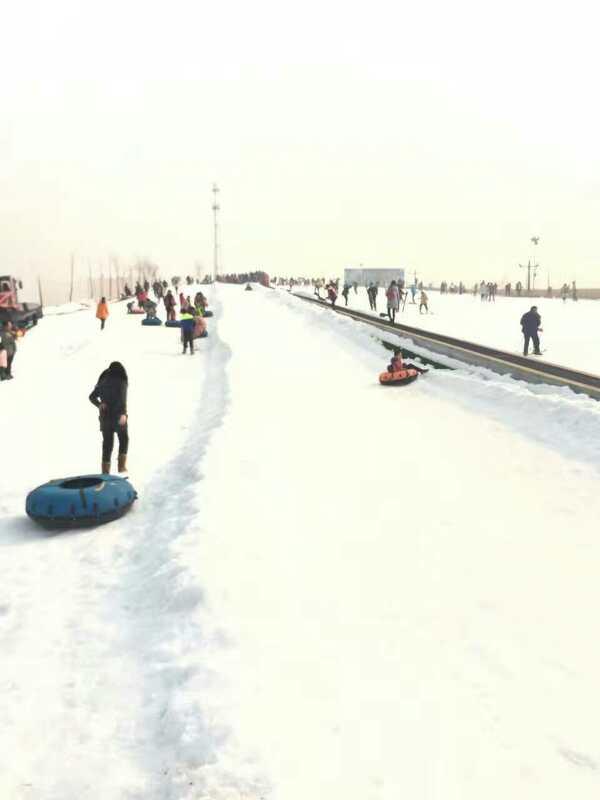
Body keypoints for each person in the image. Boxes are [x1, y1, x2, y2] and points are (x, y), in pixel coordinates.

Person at [88, 361, 129, 474]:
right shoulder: (121, 380)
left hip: (105, 418)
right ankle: (121, 468)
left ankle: (105, 473)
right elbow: (122, 398)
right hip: (117, 416)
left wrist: (99, 404)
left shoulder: (102, 381)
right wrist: (123, 414)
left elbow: (91, 397)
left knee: (107, 444)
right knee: (124, 439)